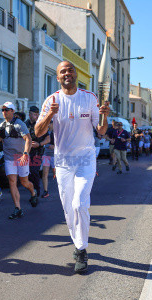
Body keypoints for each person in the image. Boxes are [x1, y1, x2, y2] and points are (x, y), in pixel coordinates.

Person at [35, 61, 110, 273]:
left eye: (70, 70)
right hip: (64, 162)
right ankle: (78, 243)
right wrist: (50, 114)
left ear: (76, 74)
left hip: (86, 159)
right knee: (68, 209)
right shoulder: (52, 100)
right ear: (58, 78)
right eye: (62, 71)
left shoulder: (89, 98)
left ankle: (82, 249)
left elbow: (101, 130)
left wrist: (106, 115)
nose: (67, 73)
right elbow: (39, 132)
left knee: (79, 204)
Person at [0, 102, 38, 219]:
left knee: (24, 182)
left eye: (6, 110)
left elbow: (28, 139)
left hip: (20, 157)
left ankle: (33, 192)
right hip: (9, 157)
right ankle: (18, 208)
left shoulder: (19, 124)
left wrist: (25, 154)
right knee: (12, 182)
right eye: (2, 110)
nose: (4, 112)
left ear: (12, 111)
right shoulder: (1, 126)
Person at [25, 106, 50, 198]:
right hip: (26, 152)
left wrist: (39, 144)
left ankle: (36, 190)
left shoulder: (40, 124)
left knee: (34, 171)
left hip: (37, 152)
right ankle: (32, 189)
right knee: (27, 173)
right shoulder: (24, 124)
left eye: (37, 114)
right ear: (30, 114)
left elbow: (48, 138)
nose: (37, 116)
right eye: (35, 114)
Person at [41, 121, 55, 198]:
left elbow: (62, 143)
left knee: (55, 172)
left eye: (50, 123)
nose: (48, 124)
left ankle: (61, 188)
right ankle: (45, 191)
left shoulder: (57, 132)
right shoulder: (45, 132)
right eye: (48, 123)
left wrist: (54, 146)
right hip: (46, 154)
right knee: (45, 173)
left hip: (55, 155)